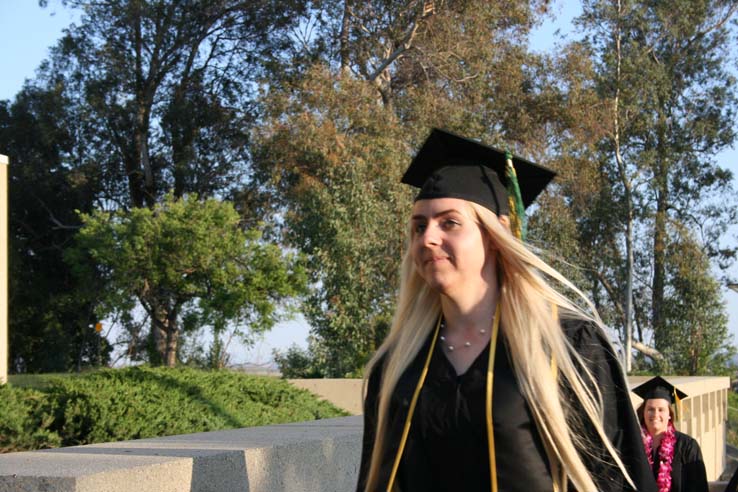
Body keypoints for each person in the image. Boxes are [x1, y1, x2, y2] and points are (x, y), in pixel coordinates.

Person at [356, 128, 658, 492]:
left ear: (496, 234)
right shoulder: (398, 364)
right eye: (418, 226)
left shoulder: (566, 345)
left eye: (449, 222)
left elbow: (614, 476)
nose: (428, 238)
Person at [632, 376, 708, 492]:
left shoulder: (687, 446)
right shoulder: (633, 444)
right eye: (650, 409)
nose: (655, 414)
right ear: (644, 412)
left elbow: (698, 487)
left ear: (669, 414)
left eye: (661, 410)